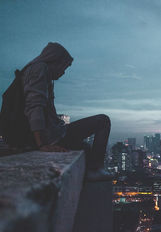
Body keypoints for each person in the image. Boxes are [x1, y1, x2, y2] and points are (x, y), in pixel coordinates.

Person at [22, 42, 111, 180]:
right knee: (103, 120)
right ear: (54, 61)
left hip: (53, 134)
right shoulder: (40, 69)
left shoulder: (37, 71)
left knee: (85, 148)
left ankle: (91, 172)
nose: (63, 72)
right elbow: (34, 106)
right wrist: (42, 144)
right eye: (64, 67)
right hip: (52, 137)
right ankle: (96, 170)